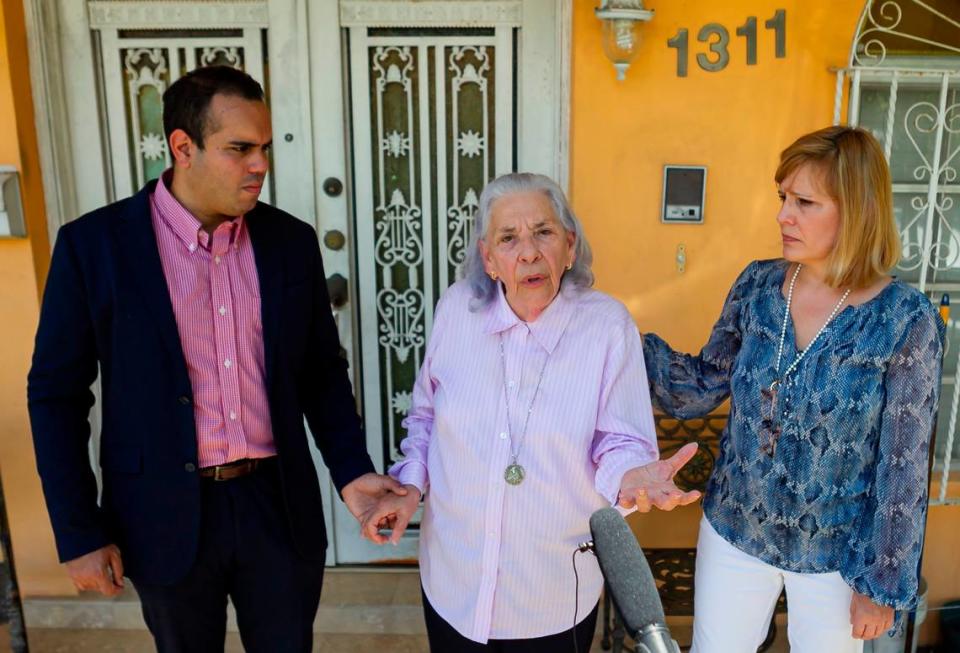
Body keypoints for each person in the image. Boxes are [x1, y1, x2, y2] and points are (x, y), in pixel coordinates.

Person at [27, 65, 405, 652]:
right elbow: (56, 396)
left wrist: (352, 472)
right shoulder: (94, 247)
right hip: (161, 513)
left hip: (276, 507)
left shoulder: (289, 242)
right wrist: (79, 530)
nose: (260, 164)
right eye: (239, 149)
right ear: (183, 147)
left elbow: (321, 375)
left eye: (264, 147)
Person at [360, 172, 701, 652]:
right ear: (489, 258)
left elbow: (619, 442)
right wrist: (410, 486)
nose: (528, 252)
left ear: (569, 244)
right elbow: (426, 416)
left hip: (552, 592)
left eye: (543, 232)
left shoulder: (606, 326)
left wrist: (633, 476)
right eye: (508, 238)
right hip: (453, 581)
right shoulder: (457, 311)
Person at [642, 126, 945, 653]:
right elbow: (698, 389)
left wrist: (881, 585)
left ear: (856, 210)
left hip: (836, 556)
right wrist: (620, 337)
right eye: (783, 197)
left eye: (804, 202)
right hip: (734, 532)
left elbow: (904, 465)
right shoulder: (758, 286)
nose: (783, 214)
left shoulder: (903, 319)